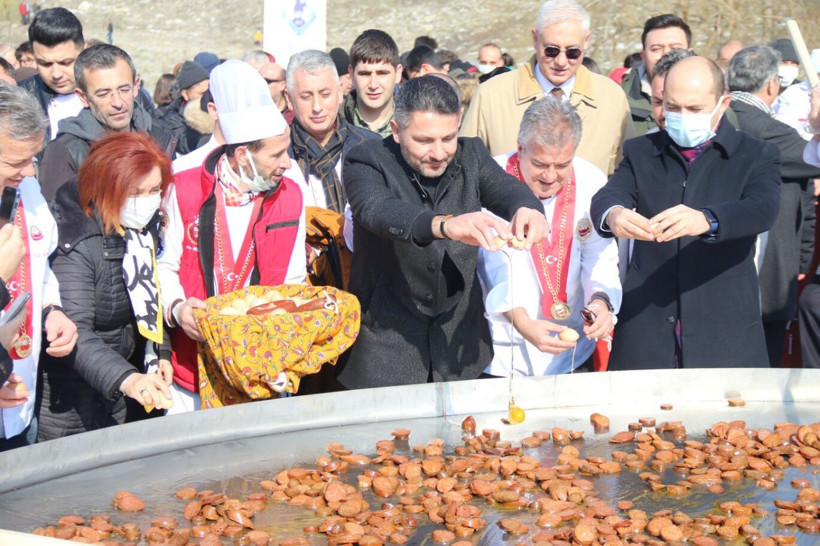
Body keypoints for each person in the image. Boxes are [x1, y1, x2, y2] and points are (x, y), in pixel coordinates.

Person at [338, 76, 548, 389]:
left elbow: (506, 189)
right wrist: (444, 225)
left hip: (459, 351)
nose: (438, 153)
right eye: (424, 141)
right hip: (386, 351)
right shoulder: (365, 160)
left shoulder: (471, 155)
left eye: (448, 138)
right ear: (397, 131)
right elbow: (377, 211)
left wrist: (528, 208)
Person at [590, 56, 781, 370]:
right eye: (672, 107)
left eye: (694, 109)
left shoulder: (757, 154)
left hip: (723, 330)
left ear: (723, 104)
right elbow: (609, 195)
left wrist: (707, 219)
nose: (680, 117)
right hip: (647, 329)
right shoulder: (642, 151)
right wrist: (614, 214)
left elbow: (762, 209)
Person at [158, 60, 306, 412]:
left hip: (261, 372)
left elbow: (294, 281)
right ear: (243, 155)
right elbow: (162, 266)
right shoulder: (185, 187)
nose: (287, 163)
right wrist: (178, 309)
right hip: (190, 370)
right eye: (277, 154)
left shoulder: (290, 196)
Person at [39, 132, 174, 440]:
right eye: (135, 192)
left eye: (154, 190)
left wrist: (160, 350)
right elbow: (76, 331)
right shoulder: (77, 240)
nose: (146, 201)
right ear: (105, 188)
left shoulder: (141, 230)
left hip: (116, 387)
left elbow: (147, 297)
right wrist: (126, 379)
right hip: (69, 396)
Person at [478, 97, 621, 376]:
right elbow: (489, 263)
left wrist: (601, 301)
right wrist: (521, 321)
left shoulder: (590, 179)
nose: (550, 176)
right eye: (540, 164)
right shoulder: (490, 178)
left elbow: (598, 253)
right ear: (520, 147)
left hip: (571, 350)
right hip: (503, 348)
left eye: (562, 165)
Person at [460, 0, 632, 176]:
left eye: (573, 52)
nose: (561, 61)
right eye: (551, 50)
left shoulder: (612, 99)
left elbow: (625, 174)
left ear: (586, 41)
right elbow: (464, 170)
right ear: (536, 38)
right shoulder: (491, 95)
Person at [727, 46, 820, 367]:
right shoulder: (768, 131)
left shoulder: (721, 119)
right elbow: (813, 158)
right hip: (764, 277)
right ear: (771, 85)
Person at [0, 83, 77, 450]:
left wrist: (51, 309)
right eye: (16, 162)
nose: (30, 172)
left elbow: (40, 262)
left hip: (20, 384)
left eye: (34, 157)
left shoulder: (25, 189)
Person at [285, 50, 378, 284]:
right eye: (306, 96)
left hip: (367, 281)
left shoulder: (372, 148)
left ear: (340, 92)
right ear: (289, 98)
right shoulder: (277, 155)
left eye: (325, 94)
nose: (317, 107)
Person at [38, 44, 175, 202]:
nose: (117, 102)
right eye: (103, 94)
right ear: (83, 97)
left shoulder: (160, 135)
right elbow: (60, 218)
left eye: (123, 89)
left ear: (136, 85)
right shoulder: (66, 152)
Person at [18, 7, 85, 143]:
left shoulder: (117, 92)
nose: (56, 74)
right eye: (45, 64)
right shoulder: (20, 100)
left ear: (84, 51)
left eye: (65, 62)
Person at [621, 14, 691, 136]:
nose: (666, 54)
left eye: (675, 48)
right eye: (656, 49)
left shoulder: (712, 102)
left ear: (690, 53)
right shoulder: (619, 102)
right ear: (643, 55)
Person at [342, 29, 403, 138]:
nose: (373, 85)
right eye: (364, 74)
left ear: (398, 74)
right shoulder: (333, 124)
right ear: (351, 74)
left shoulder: (415, 123)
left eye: (382, 73)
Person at [158, 60, 210, 156]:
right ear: (185, 94)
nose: (207, 97)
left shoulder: (213, 108)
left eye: (209, 91)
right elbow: (185, 146)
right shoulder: (172, 119)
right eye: (202, 93)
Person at [649, 49, 697, 132]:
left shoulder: (727, 143)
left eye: (674, 104)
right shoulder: (644, 143)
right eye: (658, 102)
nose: (664, 113)